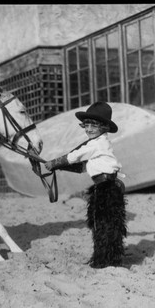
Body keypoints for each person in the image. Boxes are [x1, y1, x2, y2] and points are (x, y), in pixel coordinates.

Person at [44, 102, 127, 268]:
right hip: (107, 187)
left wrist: (53, 163)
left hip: (105, 190)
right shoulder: (99, 146)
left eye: (93, 125)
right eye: (86, 125)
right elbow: (83, 167)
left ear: (104, 127)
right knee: (108, 225)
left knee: (102, 225)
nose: (88, 129)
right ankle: (108, 259)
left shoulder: (96, 144)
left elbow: (74, 156)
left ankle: (104, 260)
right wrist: (60, 166)